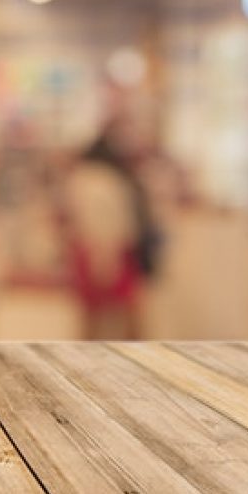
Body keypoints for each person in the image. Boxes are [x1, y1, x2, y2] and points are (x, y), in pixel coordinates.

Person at [59, 126, 161, 339]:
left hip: (95, 250)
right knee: (127, 313)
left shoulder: (82, 180)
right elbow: (112, 222)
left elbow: (86, 222)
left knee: (94, 315)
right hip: (111, 250)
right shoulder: (109, 180)